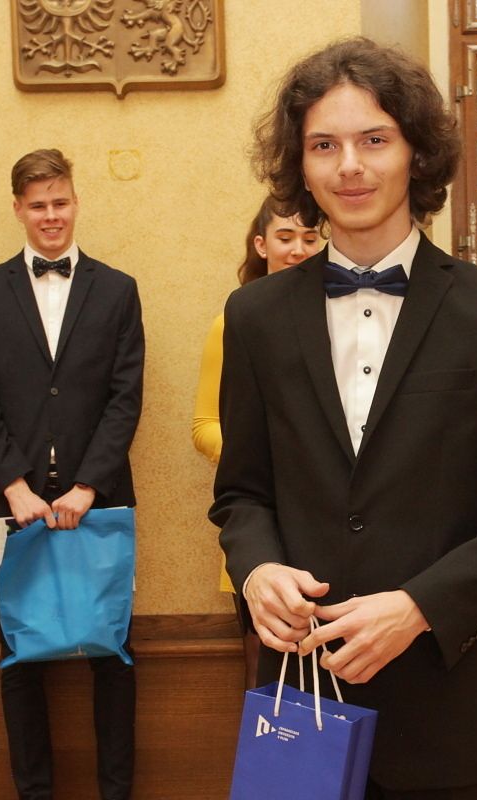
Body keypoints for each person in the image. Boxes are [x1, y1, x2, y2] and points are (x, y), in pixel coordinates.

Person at [209, 38, 477, 798]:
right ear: (300, 164)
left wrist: (418, 608)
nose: (350, 165)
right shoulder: (254, 317)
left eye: (374, 140)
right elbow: (242, 494)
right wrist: (257, 570)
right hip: (302, 702)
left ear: (417, 151)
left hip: (443, 714)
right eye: (324, 145)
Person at [0, 148, 144, 800]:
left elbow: (126, 397)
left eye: (60, 202)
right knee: (20, 655)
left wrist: (88, 485)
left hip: (102, 499)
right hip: (13, 503)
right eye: (37, 205)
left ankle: (116, 792)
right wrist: (15, 485)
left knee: (112, 652)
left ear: (76, 202)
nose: (51, 215)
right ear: (18, 209)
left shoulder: (117, 289)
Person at [192, 195, 322, 688]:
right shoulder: (235, 321)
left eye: (309, 238)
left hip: (334, 527)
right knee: (265, 668)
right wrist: (272, 456)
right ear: (261, 245)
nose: (297, 249)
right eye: (285, 237)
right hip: (262, 526)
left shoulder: (347, 318)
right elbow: (204, 424)